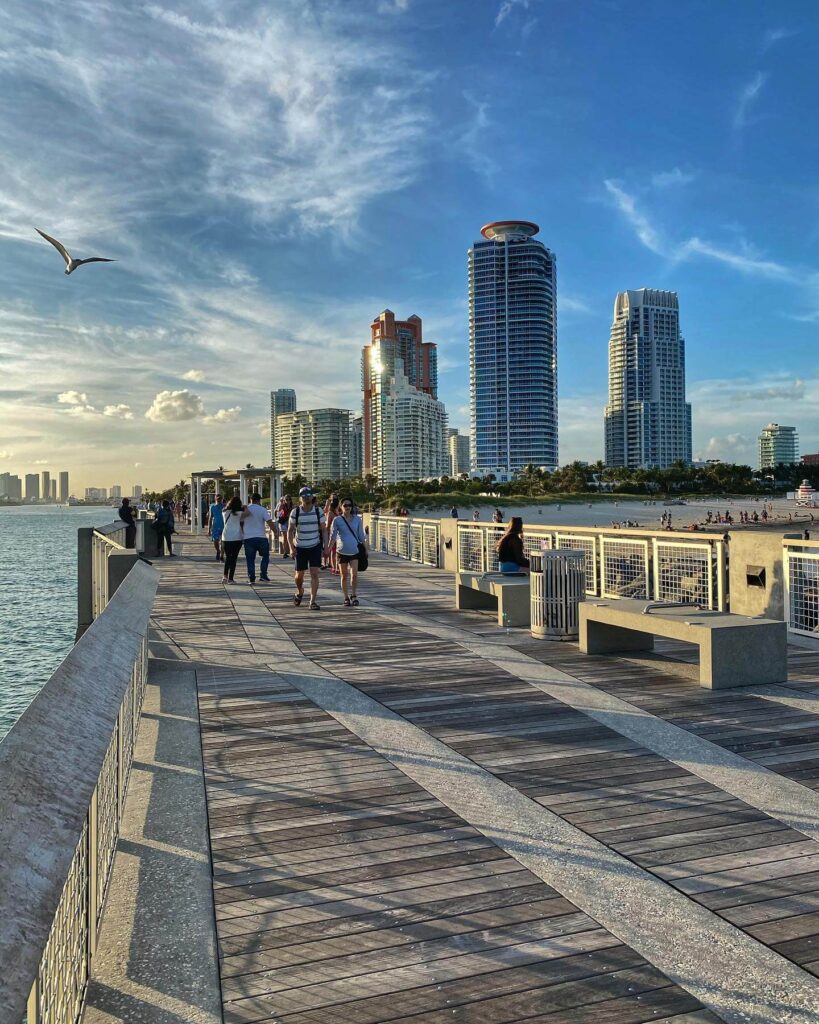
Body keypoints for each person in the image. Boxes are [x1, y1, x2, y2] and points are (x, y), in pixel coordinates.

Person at [288, 487, 327, 610]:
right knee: (299, 575)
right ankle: (300, 591)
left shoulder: (318, 511)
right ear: (300, 497)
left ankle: (312, 601)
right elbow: (290, 531)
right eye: (303, 495)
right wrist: (291, 548)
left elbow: (324, 530)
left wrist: (325, 546)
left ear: (312, 496)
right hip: (300, 547)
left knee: (314, 573)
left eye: (308, 494)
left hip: (315, 545)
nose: (306, 497)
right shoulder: (295, 512)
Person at [330, 498, 368, 606]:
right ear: (341, 507)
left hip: (354, 551)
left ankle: (354, 595)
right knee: (344, 576)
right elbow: (333, 536)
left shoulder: (357, 519)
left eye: (349, 505)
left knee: (354, 575)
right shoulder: (337, 520)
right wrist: (328, 549)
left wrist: (365, 549)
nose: (347, 507)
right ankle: (346, 597)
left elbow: (361, 535)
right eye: (345, 505)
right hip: (341, 551)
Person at [240, 492, 272, 585]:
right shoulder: (262, 509)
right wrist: (275, 531)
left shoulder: (245, 509)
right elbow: (269, 521)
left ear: (251, 499)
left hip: (248, 537)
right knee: (265, 556)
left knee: (250, 559)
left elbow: (240, 522)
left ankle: (251, 578)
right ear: (259, 500)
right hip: (261, 537)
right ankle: (263, 575)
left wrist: (242, 533)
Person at [221, 497, 244, 584]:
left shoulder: (224, 512)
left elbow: (225, 508)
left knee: (228, 557)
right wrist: (245, 507)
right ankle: (231, 578)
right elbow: (248, 513)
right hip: (237, 537)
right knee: (234, 558)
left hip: (226, 537)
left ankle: (224, 576)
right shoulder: (240, 513)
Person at [324, 494, 340, 572]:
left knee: (336, 551)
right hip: (332, 533)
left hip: (338, 534)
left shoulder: (338, 512)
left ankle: (336, 567)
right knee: (333, 551)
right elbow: (327, 525)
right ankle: (333, 567)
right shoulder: (330, 513)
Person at [207, 494, 225, 561]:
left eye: (220, 498)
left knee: (223, 542)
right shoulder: (212, 507)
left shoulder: (224, 506)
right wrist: (209, 529)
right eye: (217, 498)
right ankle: (218, 551)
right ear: (215, 499)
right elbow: (210, 517)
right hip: (215, 527)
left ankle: (221, 556)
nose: (219, 500)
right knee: (215, 541)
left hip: (224, 527)